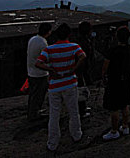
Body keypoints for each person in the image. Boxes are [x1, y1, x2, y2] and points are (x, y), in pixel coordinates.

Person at [35, 23, 86, 152]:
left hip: (54, 86)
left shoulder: (49, 49)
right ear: (69, 35)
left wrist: (51, 69)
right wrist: (73, 69)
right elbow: (83, 56)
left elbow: (38, 63)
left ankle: (53, 142)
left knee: (54, 114)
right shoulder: (74, 46)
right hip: (70, 83)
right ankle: (76, 135)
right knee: (73, 111)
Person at [101, 26, 130, 140]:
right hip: (126, 80)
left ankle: (114, 131)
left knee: (114, 107)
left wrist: (104, 77)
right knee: (124, 105)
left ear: (117, 36)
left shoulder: (113, 50)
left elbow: (105, 66)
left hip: (114, 81)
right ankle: (125, 126)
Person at [26, 22, 52, 121]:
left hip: (31, 72)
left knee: (33, 94)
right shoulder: (43, 43)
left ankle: (33, 111)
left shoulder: (32, 39)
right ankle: (34, 114)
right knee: (39, 95)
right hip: (40, 74)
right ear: (48, 32)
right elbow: (46, 59)